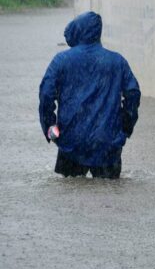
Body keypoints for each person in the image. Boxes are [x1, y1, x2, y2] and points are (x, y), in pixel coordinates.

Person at [38, 11, 141, 179]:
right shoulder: (117, 62)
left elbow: (46, 95)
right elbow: (133, 94)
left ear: (78, 31)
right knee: (111, 197)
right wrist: (125, 127)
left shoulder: (60, 60)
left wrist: (50, 127)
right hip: (107, 142)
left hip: (70, 142)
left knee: (69, 197)